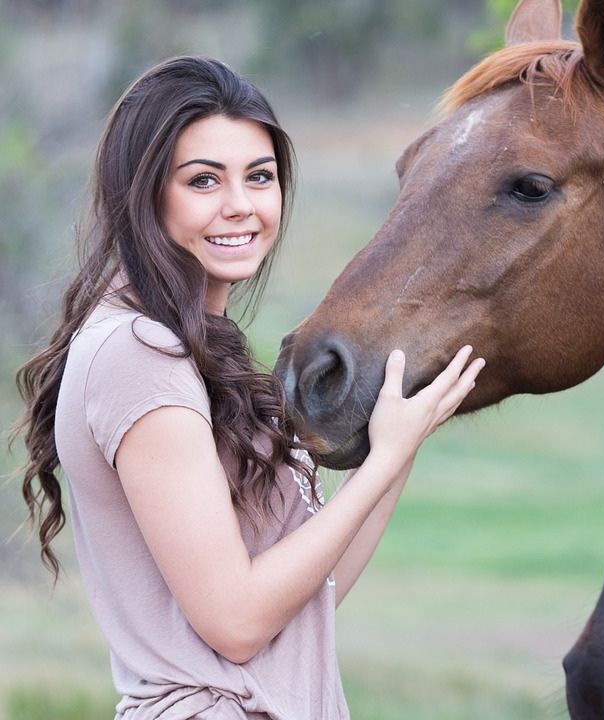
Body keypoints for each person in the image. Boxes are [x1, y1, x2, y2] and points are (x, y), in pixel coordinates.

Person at [12, 56, 484, 719]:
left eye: (259, 177)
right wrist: (383, 462)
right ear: (144, 195)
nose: (241, 205)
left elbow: (307, 603)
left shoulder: (188, 345)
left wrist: (396, 448)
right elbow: (236, 622)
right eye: (203, 180)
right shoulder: (138, 352)